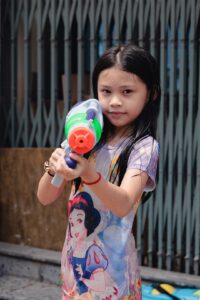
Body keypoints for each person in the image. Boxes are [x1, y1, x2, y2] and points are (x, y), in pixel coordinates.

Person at [37, 44, 161, 300]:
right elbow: (45, 197)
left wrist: (90, 175)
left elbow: (123, 204)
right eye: (106, 91)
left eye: (127, 92)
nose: (115, 101)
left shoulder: (144, 147)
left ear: (150, 94)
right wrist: (52, 168)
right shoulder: (85, 134)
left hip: (113, 271)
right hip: (74, 264)